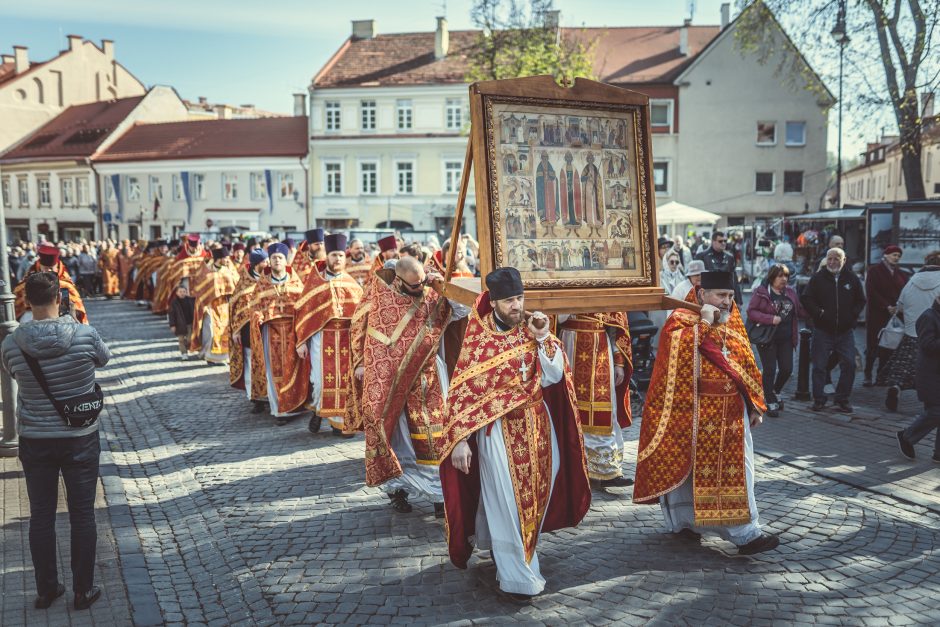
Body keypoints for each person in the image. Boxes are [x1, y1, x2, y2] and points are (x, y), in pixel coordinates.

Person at [439, 267, 591, 598]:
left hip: (537, 428)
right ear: (494, 302)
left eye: (520, 298)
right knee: (507, 503)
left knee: (534, 499)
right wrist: (460, 440)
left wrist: (542, 338)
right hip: (497, 436)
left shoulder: (532, 329)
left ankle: (511, 551)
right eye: (510, 301)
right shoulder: (478, 340)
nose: (517, 306)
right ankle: (518, 574)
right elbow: (463, 393)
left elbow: (553, 376)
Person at [633, 271, 778, 555]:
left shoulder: (733, 322)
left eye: (731, 297)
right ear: (701, 295)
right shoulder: (681, 320)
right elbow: (673, 357)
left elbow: (746, 365)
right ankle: (686, 521)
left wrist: (754, 406)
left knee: (739, 474)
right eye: (720, 296)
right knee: (686, 474)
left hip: (731, 415)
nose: (726, 302)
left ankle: (745, 533)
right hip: (692, 411)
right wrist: (703, 324)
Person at [1, 271, 111, 610]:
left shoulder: (12, 342)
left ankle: (46, 589)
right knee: (82, 514)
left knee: (41, 516)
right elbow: (104, 359)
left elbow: (11, 372)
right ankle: (83, 590)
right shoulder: (84, 334)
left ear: (27, 302)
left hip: (35, 438)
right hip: (79, 437)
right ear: (59, 299)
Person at [354, 256, 453, 516]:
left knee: (432, 436)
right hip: (389, 382)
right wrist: (360, 364)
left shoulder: (431, 295)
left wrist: (441, 285)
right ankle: (398, 491)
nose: (419, 288)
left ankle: (439, 496)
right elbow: (363, 332)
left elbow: (462, 308)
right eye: (414, 285)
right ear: (398, 280)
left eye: (422, 282)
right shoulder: (380, 298)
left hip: (425, 379)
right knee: (395, 438)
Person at [295, 233, 363, 436]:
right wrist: (301, 341)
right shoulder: (315, 282)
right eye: (334, 255)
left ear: (345, 256)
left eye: (341, 255)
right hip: (320, 338)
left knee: (344, 381)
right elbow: (303, 312)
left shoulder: (352, 284)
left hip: (345, 338)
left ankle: (340, 423)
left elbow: (361, 316)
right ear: (327, 256)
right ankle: (318, 410)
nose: (338, 259)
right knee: (318, 380)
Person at [558, 312, 633, 489]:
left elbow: (617, 329)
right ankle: (574, 468)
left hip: (600, 349)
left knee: (605, 409)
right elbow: (555, 318)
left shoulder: (606, 288)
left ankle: (607, 470)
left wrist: (619, 363)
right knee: (569, 407)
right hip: (569, 344)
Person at [800, 248, 866, 413]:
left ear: (843, 261)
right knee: (819, 366)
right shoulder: (818, 278)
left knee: (849, 364)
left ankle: (842, 399)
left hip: (845, 332)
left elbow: (861, 300)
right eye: (829, 259)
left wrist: (852, 316)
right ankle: (819, 399)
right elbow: (806, 298)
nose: (832, 262)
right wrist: (819, 313)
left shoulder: (851, 278)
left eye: (836, 259)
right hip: (823, 330)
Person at [251, 242, 310, 424]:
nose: (277, 260)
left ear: (286, 261)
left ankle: (295, 405)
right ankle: (280, 411)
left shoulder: (296, 282)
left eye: (280, 258)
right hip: (271, 332)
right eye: (274, 258)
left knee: (293, 369)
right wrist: (258, 316)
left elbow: (304, 309)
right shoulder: (262, 284)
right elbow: (253, 307)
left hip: (292, 332)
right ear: (269, 261)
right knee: (274, 372)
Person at [880, 250, 940, 410]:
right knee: (931, 370)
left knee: (903, 366)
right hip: (934, 334)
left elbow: (900, 305)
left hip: (911, 333)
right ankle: (931, 403)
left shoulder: (912, 280)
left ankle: (896, 387)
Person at [746, 264, 806, 417]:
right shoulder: (761, 293)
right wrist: (770, 319)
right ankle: (770, 400)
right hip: (767, 338)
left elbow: (799, 310)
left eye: (786, 276)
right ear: (772, 277)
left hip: (786, 338)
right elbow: (751, 312)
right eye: (780, 276)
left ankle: (776, 390)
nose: (784, 279)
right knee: (770, 370)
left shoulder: (791, 293)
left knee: (787, 369)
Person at [896, 292, 940, 462]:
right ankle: (907, 436)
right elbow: (927, 345)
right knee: (936, 411)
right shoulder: (928, 316)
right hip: (930, 374)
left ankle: (938, 454)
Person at [230, 249, 270, 413]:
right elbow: (235, 307)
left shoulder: (268, 280)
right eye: (264, 262)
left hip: (265, 327)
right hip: (246, 330)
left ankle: (268, 395)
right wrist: (236, 330)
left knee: (266, 362)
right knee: (249, 362)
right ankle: (254, 397)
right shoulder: (244, 283)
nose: (267, 264)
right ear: (256, 264)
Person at [864, 245, 909, 387]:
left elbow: (905, 292)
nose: (896, 258)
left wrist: (898, 306)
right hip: (878, 314)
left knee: (889, 346)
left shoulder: (901, 274)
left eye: (898, 256)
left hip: (894, 315)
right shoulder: (874, 271)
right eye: (894, 255)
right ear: (886, 255)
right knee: (873, 344)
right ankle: (868, 374)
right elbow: (871, 291)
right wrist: (886, 306)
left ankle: (881, 375)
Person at [189, 247, 239, 365]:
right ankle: (208, 355)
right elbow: (200, 287)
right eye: (226, 258)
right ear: (219, 259)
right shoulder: (206, 271)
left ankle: (222, 357)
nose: (228, 260)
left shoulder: (228, 270)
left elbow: (236, 282)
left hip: (224, 305)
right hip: (209, 305)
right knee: (210, 331)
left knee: (224, 331)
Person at [14, 244, 88, 324]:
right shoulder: (27, 283)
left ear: (57, 266)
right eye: (46, 268)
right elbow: (18, 306)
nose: (49, 271)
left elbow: (76, 309)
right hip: (32, 318)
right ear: (39, 266)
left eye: (52, 268)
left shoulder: (65, 284)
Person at [695, 230, 742, 305]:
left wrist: (738, 301)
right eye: (720, 241)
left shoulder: (729, 257)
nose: (723, 243)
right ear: (713, 241)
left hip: (726, 297)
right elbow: (696, 279)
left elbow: (734, 279)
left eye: (725, 241)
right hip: (708, 297)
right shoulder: (701, 256)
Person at [168, 284, 196, 361]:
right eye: (180, 292)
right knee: (181, 340)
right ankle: (184, 354)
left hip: (189, 324)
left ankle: (187, 347)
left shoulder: (190, 300)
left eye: (184, 291)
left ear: (186, 292)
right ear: (177, 293)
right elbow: (171, 315)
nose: (182, 293)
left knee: (189, 339)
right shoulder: (174, 303)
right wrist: (172, 325)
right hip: (179, 324)